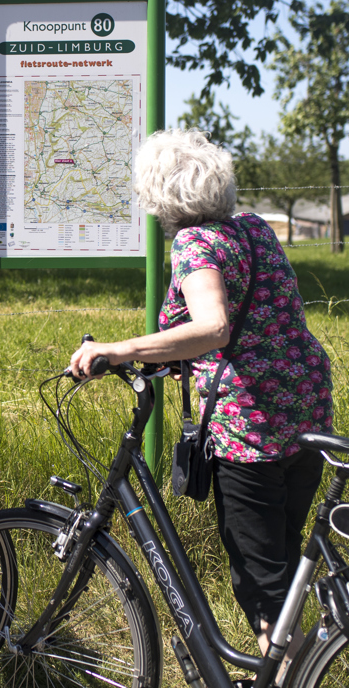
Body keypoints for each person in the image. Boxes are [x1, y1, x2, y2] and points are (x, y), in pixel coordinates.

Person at [69, 128, 332, 666]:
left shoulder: (195, 244)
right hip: (304, 410)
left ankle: (287, 674)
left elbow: (214, 327)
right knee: (281, 563)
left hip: (252, 426)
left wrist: (120, 349)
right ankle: (296, 665)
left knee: (264, 589)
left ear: (157, 194)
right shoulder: (254, 229)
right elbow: (256, 318)